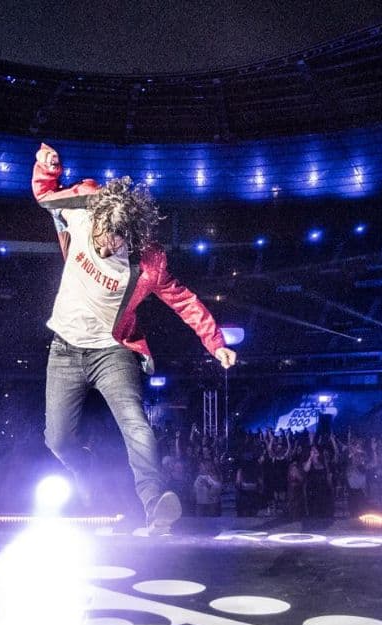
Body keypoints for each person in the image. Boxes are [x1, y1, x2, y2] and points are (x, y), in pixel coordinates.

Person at [32, 142, 236, 533]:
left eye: (117, 242)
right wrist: (48, 168)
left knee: (136, 422)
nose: (107, 246)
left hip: (113, 351)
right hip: (64, 349)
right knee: (57, 440)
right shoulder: (82, 206)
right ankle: (85, 467)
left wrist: (216, 343)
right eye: (104, 237)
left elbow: (183, 299)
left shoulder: (148, 262)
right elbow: (44, 195)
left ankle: (155, 502)